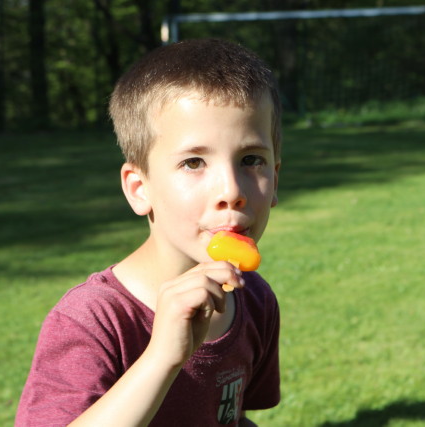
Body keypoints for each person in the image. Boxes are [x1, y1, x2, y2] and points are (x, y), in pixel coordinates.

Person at [15, 38, 282, 427]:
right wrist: (162, 357)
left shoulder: (254, 300)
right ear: (140, 188)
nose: (231, 190)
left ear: (275, 180)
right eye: (194, 162)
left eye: (251, 160)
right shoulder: (94, 319)